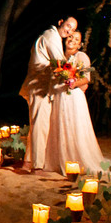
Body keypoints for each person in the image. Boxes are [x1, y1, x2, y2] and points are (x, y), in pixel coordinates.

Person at [19, 16, 76, 171]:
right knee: (40, 125)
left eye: (72, 29)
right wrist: (75, 76)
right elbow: (61, 64)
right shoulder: (51, 37)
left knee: (38, 124)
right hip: (39, 87)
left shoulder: (53, 37)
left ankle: (29, 162)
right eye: (68, 25)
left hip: (41, 86)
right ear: (60, 22)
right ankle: (36, 166)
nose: (69, 30)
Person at [45, 30, 105, 175]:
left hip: (74, 97)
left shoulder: (81, 56)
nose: (72, 40)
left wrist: (74, 83)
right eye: (70, 37)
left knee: (75, 127)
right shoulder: (58, 56)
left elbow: (87, 79)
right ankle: (58, 160)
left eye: (76, 39)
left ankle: (75, 160)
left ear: (80, 43)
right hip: (59, 96)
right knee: (59, 125)